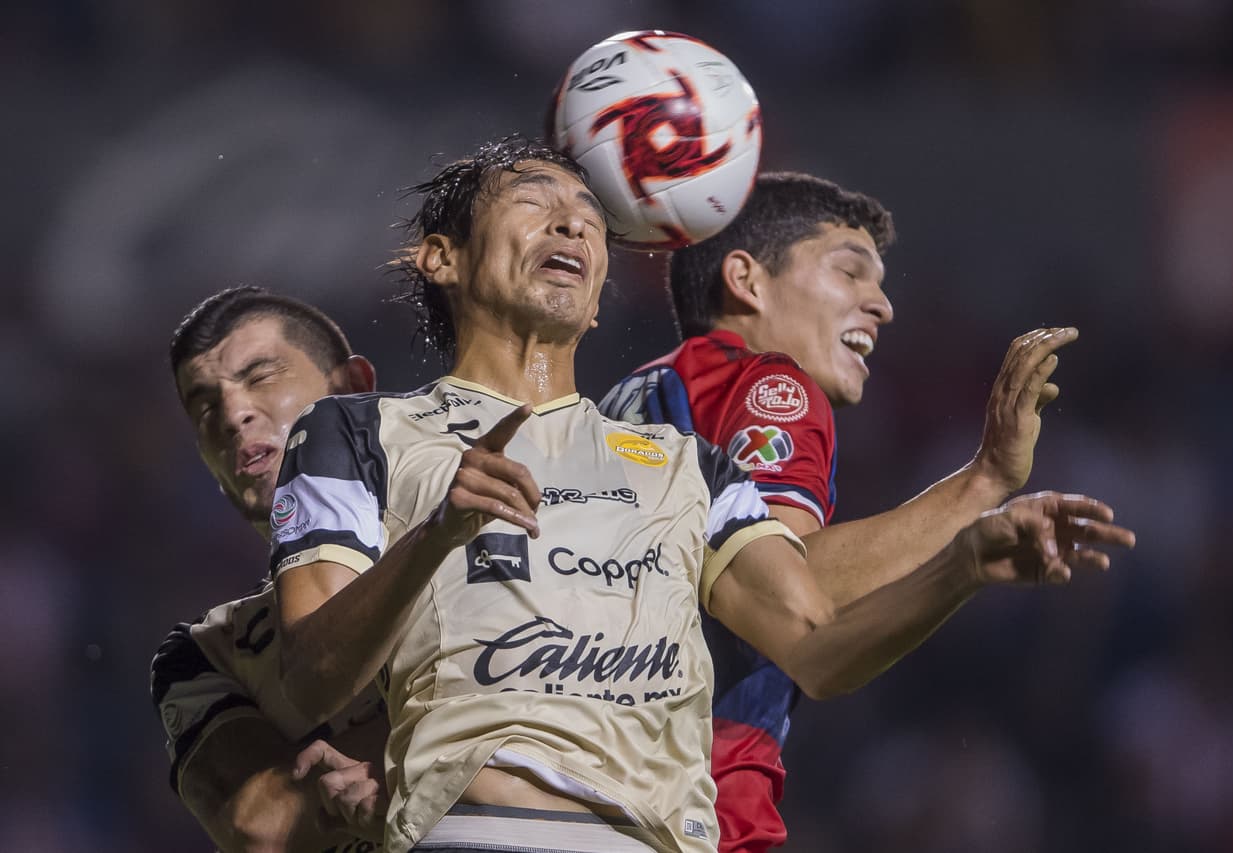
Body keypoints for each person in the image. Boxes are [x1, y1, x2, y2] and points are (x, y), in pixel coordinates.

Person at [268, 135, 1133, 853]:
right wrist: (434, 535)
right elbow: (309, 679)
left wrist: (963, 565)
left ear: (601, 298)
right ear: (442, 257)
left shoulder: (683, 463)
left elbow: (816, 647)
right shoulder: (357, 433)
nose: (572, 219)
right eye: (534, 200)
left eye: (589, 214)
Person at [600, 171, 1077, 851]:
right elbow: (797, 591)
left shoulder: (635, 391)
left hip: (598, 790)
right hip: (694, 808)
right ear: (747, 280)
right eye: (850, 272)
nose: (881, 305)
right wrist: (984, 482)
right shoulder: (771, 384)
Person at [150, 286, 389, 852]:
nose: (233, 415)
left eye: (260, 377)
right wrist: (423, 752)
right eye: (205, 408)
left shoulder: (480, 535)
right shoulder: (204, 654)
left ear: (351, 387)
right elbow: (259, 826)